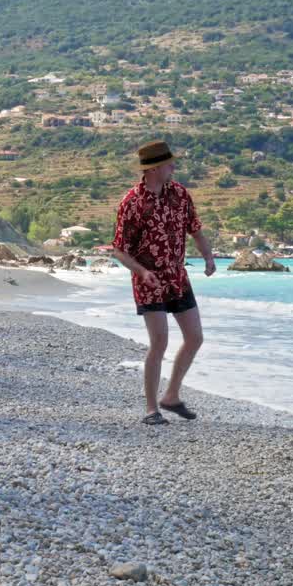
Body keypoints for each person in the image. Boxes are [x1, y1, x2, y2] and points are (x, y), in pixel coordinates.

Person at [111, 141, 216, 425]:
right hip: (149, 280)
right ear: (155, 168)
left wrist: (208, 258)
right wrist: (141, 272)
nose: (174, 167)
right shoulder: (132, 202)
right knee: (159, 342)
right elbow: (119, 249)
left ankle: (171, 396)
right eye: (170, 164)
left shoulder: (180, 194)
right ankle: (150, 409)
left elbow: (195, 230)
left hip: (177, 277)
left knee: (195, 337)